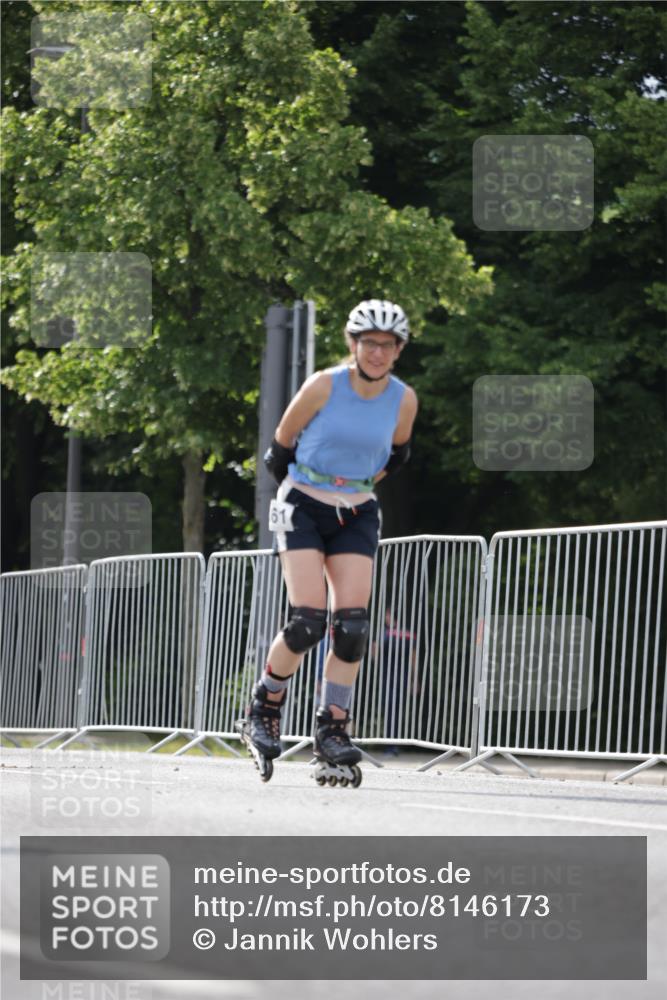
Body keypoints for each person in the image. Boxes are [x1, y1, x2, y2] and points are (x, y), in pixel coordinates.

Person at [242, 298, 418, 782]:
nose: (378, 352)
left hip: (357, 509)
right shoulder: (324, 385)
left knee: (354, 627)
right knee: (308, 621)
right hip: (301, 502)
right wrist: (308, 491)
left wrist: (351, 487)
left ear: (399, 350)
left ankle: (332, 728)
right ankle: (264, 707)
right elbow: (280, 448)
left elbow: (398, 456)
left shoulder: (404, 399)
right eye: (369, 343)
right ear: (354, 345)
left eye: (387, 345)